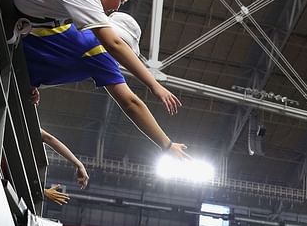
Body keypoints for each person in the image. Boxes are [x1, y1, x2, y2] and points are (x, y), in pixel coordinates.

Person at [5, 0, 180, 115]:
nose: (112, 10)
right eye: (119, 2)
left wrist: (32, 82)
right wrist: (154, 85)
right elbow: (114, 44)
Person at [24, 13, 189, 159]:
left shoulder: (81, 27)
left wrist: (32, 82)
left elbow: (49, 48)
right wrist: (167, 145)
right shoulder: (101, 52)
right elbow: (131, 104)